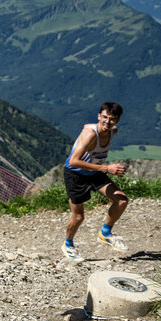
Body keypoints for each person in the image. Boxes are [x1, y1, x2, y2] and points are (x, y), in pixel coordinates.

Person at [60, 102, 130, 262]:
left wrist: (104, 169)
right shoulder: (90, 134)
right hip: (75, 174)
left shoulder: (113, 130)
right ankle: (68, 245)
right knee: (78, 217)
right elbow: (73, 162)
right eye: (104, 117)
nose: (107, 122)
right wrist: (106, 169)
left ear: (117, 121)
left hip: (94, 172)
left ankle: (105, 234)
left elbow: (102, 127)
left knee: (122, 200)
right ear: (99, 116)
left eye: (112, 119)